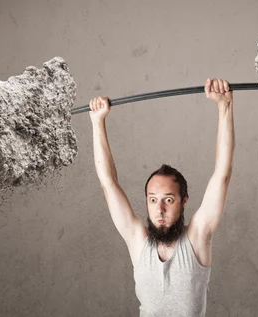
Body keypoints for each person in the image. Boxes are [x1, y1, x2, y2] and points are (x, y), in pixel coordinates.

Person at [89, 78, 235, 317]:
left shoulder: (198, 238)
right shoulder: (137, 240)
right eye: (153, 199)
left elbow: (222, 175)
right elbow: (108, 183)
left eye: (168, 200)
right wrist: (97, 122)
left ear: (184, 200)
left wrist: (225, 107)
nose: (159, 209)